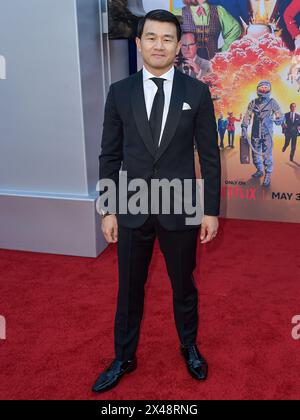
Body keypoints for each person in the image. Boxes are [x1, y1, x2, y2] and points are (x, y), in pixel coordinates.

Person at [93, 9, 221, 393]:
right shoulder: (119, 92)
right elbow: (108, 155)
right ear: (139, 43)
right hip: (130, 207)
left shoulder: (196, 92)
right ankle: (124, 357)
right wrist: (108, 207)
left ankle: (189, 346)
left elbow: (210, 155)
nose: (159, 45)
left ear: (179, 44)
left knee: (184, 285)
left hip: (180, 206)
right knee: (129, 288)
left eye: (167, 38)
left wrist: (210, 210)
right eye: (151, 37)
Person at [241, 81, 283, 187]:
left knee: (267, 155)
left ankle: (268, 174)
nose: (263, 90)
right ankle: (259, 170)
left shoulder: (272, 102)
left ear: (269, 90)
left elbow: (279, 114)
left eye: (266, 88)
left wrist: (279, 120)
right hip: (256, 133)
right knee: (255, 154)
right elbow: (247, 115)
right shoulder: (253, 102)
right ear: (258, 90)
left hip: (267, 133)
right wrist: (244, 126)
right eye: (261, 88)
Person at [175, 0, 242, 60]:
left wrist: (223, 51)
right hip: (186, 64)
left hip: (212, 63)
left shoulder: (219, 11)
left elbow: (234, 29)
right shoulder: (179, 13)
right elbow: (170, 35)